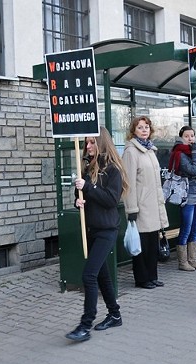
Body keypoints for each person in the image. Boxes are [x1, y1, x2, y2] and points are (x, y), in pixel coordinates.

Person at [65, 127, 128, 342]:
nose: (88, 146)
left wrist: (89, 188)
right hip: (91, 229)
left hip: (107, 230)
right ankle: (115, 313)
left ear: (101, 143)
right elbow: (81, 194)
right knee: (102, 275)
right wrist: (78, 200)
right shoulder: (87, 167)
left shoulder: (113, 170)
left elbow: (111, 200)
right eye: (86, 142)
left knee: (88, 275)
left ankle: (85, 324)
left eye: (92, 142)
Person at [122, 116, 169, 289]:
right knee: (141, 245)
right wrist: (131, 208)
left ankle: (152, 276)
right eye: (140, 127)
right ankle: (142, 279)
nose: (144, 130)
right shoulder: (131, 152)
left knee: (152, 244)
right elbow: (129, 183)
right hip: (141, 207)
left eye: (147, 127)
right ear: (133, 131)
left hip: (153, 206)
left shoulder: (150, 150)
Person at [168, 126, 196, 271]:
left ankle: (193, 259)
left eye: (192, 135)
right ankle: (183, 262)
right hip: (187, 195)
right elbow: (195, 171)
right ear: (181, 138)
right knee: (186, 228)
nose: (190, 138)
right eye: (187, 136)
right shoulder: (180, 153)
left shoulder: (193, 152)